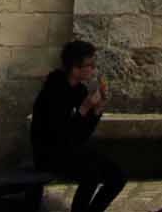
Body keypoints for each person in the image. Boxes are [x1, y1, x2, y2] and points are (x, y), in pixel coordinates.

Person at [30, 39, 126, 212]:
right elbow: (58, 135)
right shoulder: (53, 90)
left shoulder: (80, 90)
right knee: (92, 174)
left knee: (118, 175)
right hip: (49, 152)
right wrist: (84, 108)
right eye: (89, 65)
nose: (93, 69)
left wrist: (96, 110)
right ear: (75, 68)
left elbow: (81, 134)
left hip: (72, 149)